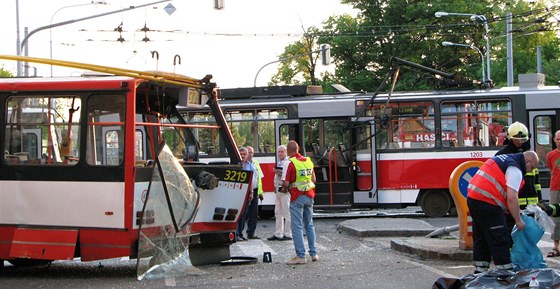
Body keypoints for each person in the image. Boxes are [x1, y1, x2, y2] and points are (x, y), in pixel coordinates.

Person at [467, 151, 539, 273]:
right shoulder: (515, 169)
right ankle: (505, 272)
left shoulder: (503, 159)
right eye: (532, 167)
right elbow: (512, 197)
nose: (530, 171)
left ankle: (480, 271)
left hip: (474, 199)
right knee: (499, 237)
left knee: (481, 237)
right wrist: (518, 220)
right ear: (527, 162)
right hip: (488, 202)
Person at [494, 122, 542, 248]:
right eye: (517, 140)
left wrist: (539, 199)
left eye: (522, 140)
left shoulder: (530, 155)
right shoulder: (503, 155)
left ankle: (525, 258)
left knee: (529, 235)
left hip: (531, 206)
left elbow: (536, 181)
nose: (520, 143)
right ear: (510, 138)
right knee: (512, 235)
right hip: (513, 205)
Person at [282, 140, 318, 265]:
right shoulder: (308, 161)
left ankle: (300, 256)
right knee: (309, 225)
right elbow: (313, 179)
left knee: (296, 226)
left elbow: (286, 183)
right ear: (298, 149)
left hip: (297, 197)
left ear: (288, 150)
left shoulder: (290, 163)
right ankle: (313, 254)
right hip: (309, 196)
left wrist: (284, 189)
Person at [267, 145, 292, 241]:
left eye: (282, 151)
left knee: (286, 212)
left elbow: (287, 175)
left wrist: (278, 172)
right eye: (279, 152)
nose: (280, 153)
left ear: (286, 152)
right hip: (278, 189)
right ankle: (278, 233)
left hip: (284, 189)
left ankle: (288, 234)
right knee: (277, 212)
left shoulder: (288, 162)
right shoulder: (280, 162)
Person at [235, 147, 259, 241]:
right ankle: (237, 233)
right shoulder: (236, 165)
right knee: (239, 214)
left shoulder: (250, 165)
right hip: (238, 192)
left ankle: (240, 233)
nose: (242, 156)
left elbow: (252, 180)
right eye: (241, 154)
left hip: (248, 192)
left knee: (244, 214)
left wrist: (251, 192)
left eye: (244, 154)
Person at [545, 130, 560, 257]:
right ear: (554, 140)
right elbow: (551, 170)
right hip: (555, 188)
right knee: (555, 218)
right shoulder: (550, 155)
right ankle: (556, 247)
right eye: (558, 139)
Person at [245, 146, 263, 239]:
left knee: (254, 213)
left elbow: (259, 178)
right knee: (244, 212)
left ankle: (251, 233)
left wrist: (260, 192)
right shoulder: (244, 163)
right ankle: (239, 233)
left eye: (252, 152)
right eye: (249, 152)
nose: (250, 154)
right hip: (246, 191)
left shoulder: (256, 163)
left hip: (255, 190)